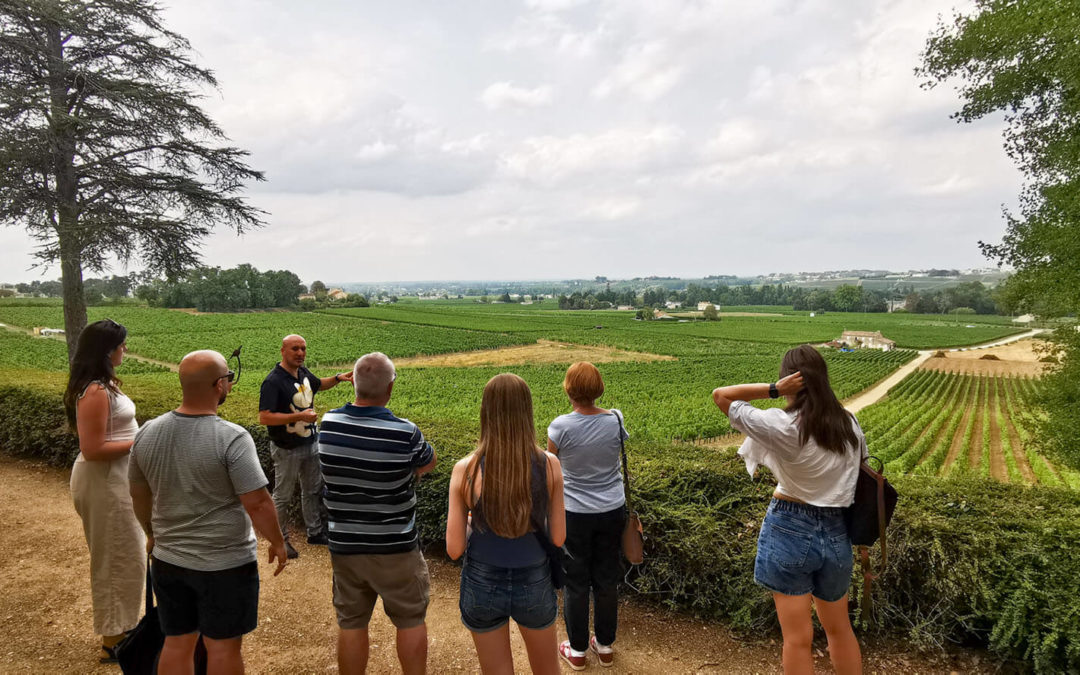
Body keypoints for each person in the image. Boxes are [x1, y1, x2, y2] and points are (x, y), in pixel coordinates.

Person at [129, 350, 288, 675]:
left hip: (168, 560)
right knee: (223, 647)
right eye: (229, 379)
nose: (230, 384)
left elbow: (138, 492)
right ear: (219, 385)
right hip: (225, 565)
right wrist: (278, 541)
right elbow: (257, 502)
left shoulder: (147, 431)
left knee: (176, 641)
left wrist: (150, 533)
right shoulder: (232, 438)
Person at [712, 344, 865, 675]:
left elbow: (721, 395)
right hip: (838, 530)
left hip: (790, 526)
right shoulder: (849, 424)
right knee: (839, 629)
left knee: (797, 639)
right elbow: (861, 472)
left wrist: (773, 390)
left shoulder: (783, 425)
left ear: (791, 380)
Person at [317, 352, 437, 675]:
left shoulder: (328, 424)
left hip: (346, 546)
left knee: (352, 622)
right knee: (411, 619)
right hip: (396, 546)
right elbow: (428, 462)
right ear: (391, 388)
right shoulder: (405, 432)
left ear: (353, 381)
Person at [446, 373, 565, 675]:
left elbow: (455, 549)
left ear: (485, 412)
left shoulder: (466, 469)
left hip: (482, 581)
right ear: (527, 411)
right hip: (534, 579)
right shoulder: (549, 463)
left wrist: (474, 523)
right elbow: (560, 537)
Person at [63, 319, 146, 664]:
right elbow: (94, 447)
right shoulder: (95, 391)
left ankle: (122, 626)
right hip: (104, 481)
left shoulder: (102, 385)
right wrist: (141, 442)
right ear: (107, 349)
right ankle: (113, 638)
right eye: (122, 344)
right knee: (116, 557)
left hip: (114, 479)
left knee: (128, 555)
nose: (125, 349)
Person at [546, 362, 628, 670]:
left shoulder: (560, 426)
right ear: (600, 389)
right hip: (612, 509)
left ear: (568, 389)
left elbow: (550, 466)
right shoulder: (616, 419)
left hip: (575, 512)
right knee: (607, 578)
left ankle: (577, 650)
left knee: (576, 581)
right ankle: (605, 646)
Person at [259, 333, 353, 558]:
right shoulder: (273, 381)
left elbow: (320, 385)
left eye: (303, 348)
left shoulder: (303, 373)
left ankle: (315, 532)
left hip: (311, 442)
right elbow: (265, 417)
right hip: (286, 448)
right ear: (283, 350)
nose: (300, 353)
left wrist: (339, 378)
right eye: (295, 349)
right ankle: (280, 540)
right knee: (282, 496)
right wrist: (299, 416)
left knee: (311, 490)